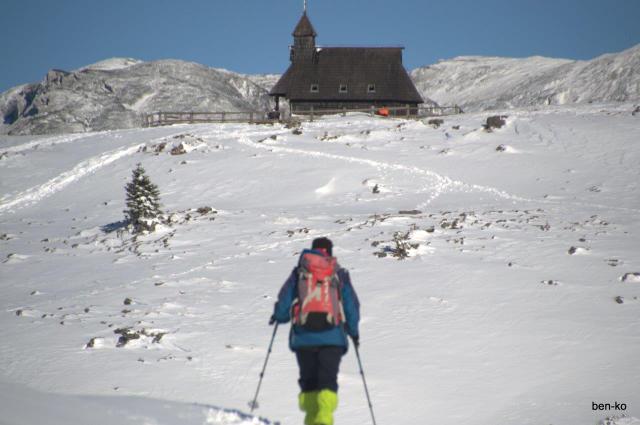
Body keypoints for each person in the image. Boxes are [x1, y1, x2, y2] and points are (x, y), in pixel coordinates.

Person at [270, 237, 360, 425]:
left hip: (304, 337)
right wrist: (353, 331)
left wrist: (279, 316)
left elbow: (285, 299)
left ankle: (312, 421)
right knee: (328, 381)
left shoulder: (300, 272)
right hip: (332, 337)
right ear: (330, 252)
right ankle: (323, 420)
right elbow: (351, 305)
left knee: (309, 382)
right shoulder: (338, 273)